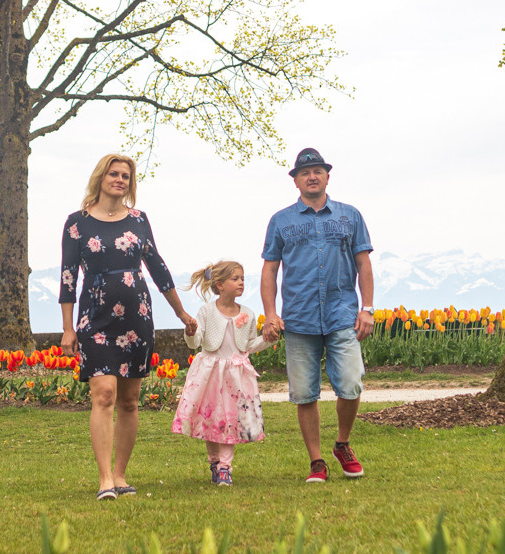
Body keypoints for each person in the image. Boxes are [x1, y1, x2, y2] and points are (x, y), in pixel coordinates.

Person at [59, 153, 197, 500]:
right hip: (95, 318)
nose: (119, 179)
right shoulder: (77, 223)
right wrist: (67, 328)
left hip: (137, 317)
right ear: (100, 177)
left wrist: (181, 314)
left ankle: (120, 475)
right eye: (113, 173)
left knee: (130, 400)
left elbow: (157, 267)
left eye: (125, 175)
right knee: (103, 393)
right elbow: (67, 278)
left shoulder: (139, 220)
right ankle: (104, 478)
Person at [260, 147, 374, 482]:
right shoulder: (281, 221)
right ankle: (317, 461)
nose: (312, 176)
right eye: (305, 172)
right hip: (298, 318)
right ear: (295, 180)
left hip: (343, 315)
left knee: (351, 384)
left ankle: (342, 443)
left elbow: (363, 264)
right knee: (305, 393)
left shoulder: (349, 216)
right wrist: (270, 314)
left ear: (327, 176)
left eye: (318, 171)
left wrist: (367, 308)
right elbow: (269, 271)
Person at [172, 260, 272, 487]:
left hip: (236, 376)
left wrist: (266, 339)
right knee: (212, 420)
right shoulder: (207, 311)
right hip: (210, 374)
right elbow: (195, 343)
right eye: (235, 279)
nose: (241, 283)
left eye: (243, 279)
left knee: (231, 420)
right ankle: (215, 461)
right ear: (220, 284)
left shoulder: (247, 313)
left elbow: (248, 345)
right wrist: (190, 332)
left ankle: (225, 467)